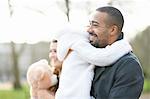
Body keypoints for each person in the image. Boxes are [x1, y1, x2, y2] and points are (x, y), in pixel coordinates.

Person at [55, 25, 132, 99]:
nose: (89, 29)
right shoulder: (79, 45)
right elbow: (103, 57)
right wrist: (123, 46)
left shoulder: (71, 50)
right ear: (79, 34)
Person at [87, 6, 144, 99]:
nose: (89, 30)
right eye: (89, 24)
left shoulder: (129, 66)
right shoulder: (90, 57)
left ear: (112, 30)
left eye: (95, 25)